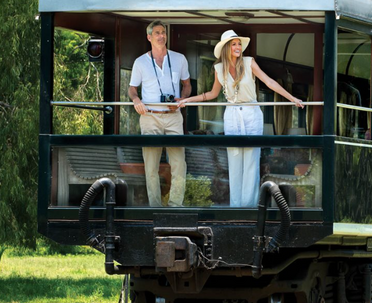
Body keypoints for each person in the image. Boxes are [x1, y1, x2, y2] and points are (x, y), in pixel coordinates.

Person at [178, 30, 303, 207]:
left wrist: (292, 99)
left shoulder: (249, 62)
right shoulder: (218, 68)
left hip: (251, 113)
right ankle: (235, 207)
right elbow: (212, 94)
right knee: (234, 160)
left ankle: (249, 207)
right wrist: (187, 100)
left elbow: (269, 82)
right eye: (233, 44)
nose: (237, 47)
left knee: (251, 160)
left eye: (238, 44)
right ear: (226, 48)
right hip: (232, 115)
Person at [128, 20, 191, 207]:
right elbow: (132, 89)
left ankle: (175, 206)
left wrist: (182, 100)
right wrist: (136, 100)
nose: (161, 36)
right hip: (150, 117)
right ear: (149, 37)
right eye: (157, 33)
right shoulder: (140, 62)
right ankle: (154, 208)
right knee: (151, 166)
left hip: (173, 117)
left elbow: (187, 85)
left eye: (163, 32)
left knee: (179, 164)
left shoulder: (179, 58)